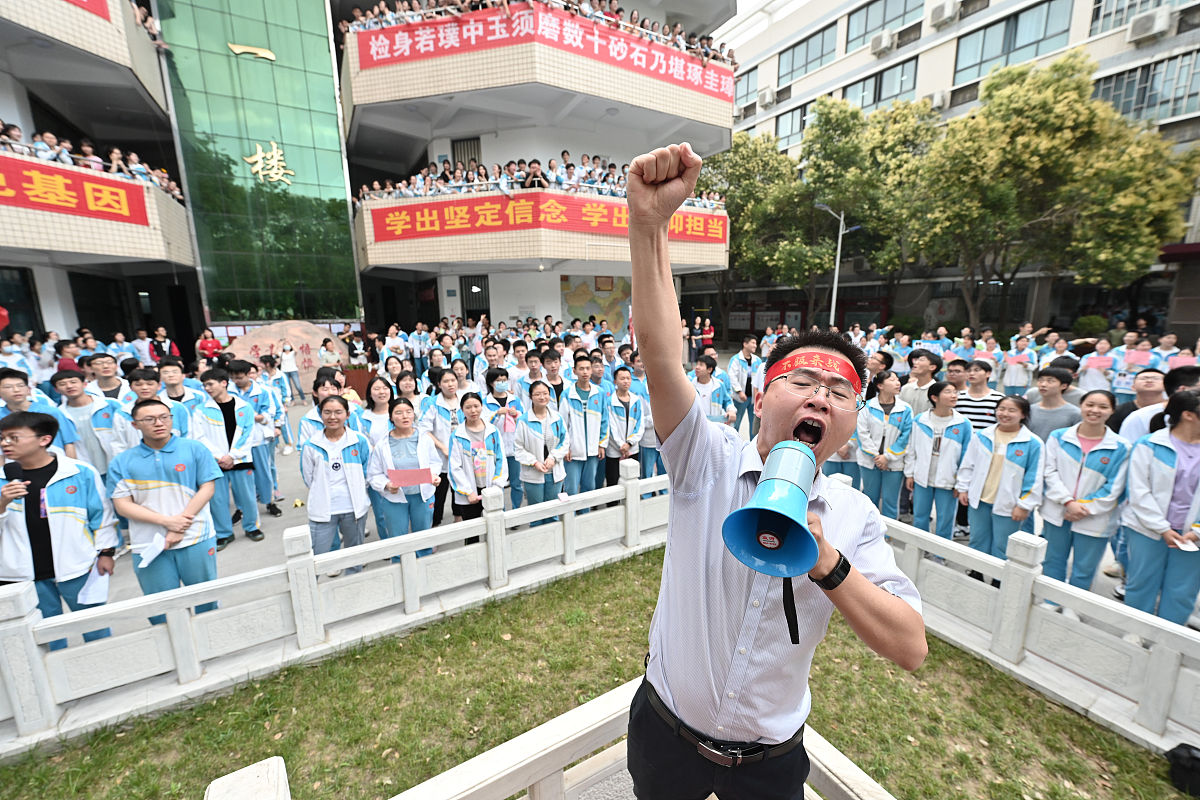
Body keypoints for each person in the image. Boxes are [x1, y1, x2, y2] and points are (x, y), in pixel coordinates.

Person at [624, 142, 924, 800]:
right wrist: (649, 228)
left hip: (769, 761)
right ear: (761, 397)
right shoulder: (705, 458)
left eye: (840, 392)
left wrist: (827, 564)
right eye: (803, 381)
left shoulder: (853, 517)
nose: (821, 396)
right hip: (665, 735)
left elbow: (910, 647)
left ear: (848, 423)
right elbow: (661, 355)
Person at [0, 411, 116, 650]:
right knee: (43, 640)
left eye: (13, 437)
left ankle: (106, 669)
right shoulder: (4, 480)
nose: (4, 444)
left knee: (94, 626)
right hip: (22, 573)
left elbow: (101, 515)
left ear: (43, 440)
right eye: (2, 438)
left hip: (77, 566)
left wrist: (106, 552)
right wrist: (2, 503)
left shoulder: (80, 472)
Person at [107, 398, 222, 623]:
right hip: (149, 543)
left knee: (205, 600)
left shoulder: (194, 448)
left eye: (164, 417)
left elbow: (207, 487)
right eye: (149, 419)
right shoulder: (122, 462)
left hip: (196, 537)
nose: (158, 423)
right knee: (161, 607)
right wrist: (168, 522)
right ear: (135, 425)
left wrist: (181, 524)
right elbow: (122, 504)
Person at [1119, 388, 1200, 631]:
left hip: (1192, 536)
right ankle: (1136, 633)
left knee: (1183, 589)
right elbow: (1139, 491)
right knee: (1141, 582)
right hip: (1147, 528)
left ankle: (1170, 639)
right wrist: (1162, 528)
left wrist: (1197, 531)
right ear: (1188, 415)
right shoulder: (1149, 445)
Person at [1040, 390, 1129, 604]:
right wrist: (1068, 503)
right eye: (1090, 405)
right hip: (1058, 510)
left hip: (1095, 517)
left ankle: (1073, 605)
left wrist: (1083, 508)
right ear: (1081, 406)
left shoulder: (1122, 447)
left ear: (1112, 411)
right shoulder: (1059, 437)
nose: (1095, 411)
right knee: (1053, 560)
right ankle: (1051, 601)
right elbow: (1048, 472)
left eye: (1102, 407)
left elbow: (1115, 487)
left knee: (1084, 567)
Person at [955, 396, 1044, 562]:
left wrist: (1024, 504)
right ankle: (977, 571)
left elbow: (1035, 477)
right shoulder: (982, 435)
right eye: (1001, 409)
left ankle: (999, 579)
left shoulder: (1033, 443)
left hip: (1009, 503)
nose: (1005, 414)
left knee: (1003, 544)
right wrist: (963, 488)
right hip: (980, 499)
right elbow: (968, 464)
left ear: (1023, 414)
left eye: (1012, 410)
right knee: (977, 539)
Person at [300, 395, 372, 575]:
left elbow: (368, 469)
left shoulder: (359, 440)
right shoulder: (311, 445)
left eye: (338, 412)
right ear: (320, 414)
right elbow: (308, 477)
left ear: (347, 414)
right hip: (324, 508)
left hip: (353, 507)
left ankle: (351, 589)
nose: (333, 417)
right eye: (327, 412)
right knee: (317, 557)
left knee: (354, 553)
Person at [192, 368, 262, 549]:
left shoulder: (244, 407)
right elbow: (199, 437)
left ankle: (252, 527)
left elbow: (248, 434)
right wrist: (220, 457)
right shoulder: (201, 410)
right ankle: (224, 533)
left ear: (224, 383)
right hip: (215, 462)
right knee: (218, 499)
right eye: (204, 385)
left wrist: (232, 456)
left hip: (240, 459)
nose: (207, 388)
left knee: (247, 496)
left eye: (210, 384)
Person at [366, 397, 440, 558]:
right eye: (398, 413)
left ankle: (424, 568)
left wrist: (434, 476)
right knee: (398, 541)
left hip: (422, 496)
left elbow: (435, 462)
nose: (405, 416)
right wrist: (386, 485)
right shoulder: (383, 444)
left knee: (423, 538)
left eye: (408, 412)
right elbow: (373, 474)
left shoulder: (424, 439)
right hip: (395, 499)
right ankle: (400, 571)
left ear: (414, 415)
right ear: (391, 417)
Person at [904, 382, 972, 539]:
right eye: (948, 392)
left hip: (948, 480)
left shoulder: (963, 424)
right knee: (920, 516)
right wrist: (910, 474)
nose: (954, 395)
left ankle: (939, 555)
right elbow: (911, 448)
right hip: (922, 477)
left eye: (955, 392)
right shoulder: (920, 420)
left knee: (945, 520)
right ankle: (919, 547)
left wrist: (961, 484)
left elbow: (967, 457)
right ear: (934, 397)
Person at [51, 370, 131, 478]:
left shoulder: (110, 404)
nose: (69, 386)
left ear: (84, 384)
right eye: (62, 384)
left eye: (73, 382)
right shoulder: (59, 414)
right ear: (56, 390)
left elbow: (130, 432)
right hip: (87, 471)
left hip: (118, 464)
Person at [856, 370, 912, 520]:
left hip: (893, 463)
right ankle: (867, 533)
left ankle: (888, 537)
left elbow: (906, 436)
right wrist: (877, 457)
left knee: (890, 501)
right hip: (870, 461)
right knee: (869, 498)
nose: (897, 383)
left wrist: (887, 457)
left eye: (898, 380)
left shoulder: (905, 409)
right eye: (892, 380)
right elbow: (862, 434)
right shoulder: (867, 407)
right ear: (880, 385)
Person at [513, 381, 568, 523]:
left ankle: (553, 543)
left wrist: (553, 458)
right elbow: (518, 448)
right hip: (533, 473)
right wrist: (534, 462)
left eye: (545, 394)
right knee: (536, 512)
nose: (542, 397)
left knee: (552, 512)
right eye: (537, 394)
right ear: (531, 396)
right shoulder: (524, 420)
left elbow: (565, 442)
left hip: (554, 471)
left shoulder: (557, 418)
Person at [447, 392, 507, 524]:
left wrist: (496, 486)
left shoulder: (492, 431)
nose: (473, 410)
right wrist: (468, 492)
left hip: (491, 488)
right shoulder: (457, 435)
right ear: (462, 410)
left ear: (482, 407)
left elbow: (501, 460)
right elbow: (454, 467)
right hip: (470, 494)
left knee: (494, 528)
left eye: (476, 406)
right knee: (472, 532)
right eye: (468, 407)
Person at [0, 367, 79, 458]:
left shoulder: (51, 412)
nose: (16, 390)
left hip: (56, 463)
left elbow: (68, 443)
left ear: (28, 389)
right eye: (8, 387)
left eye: (21, 385)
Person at [418, 368, 462, 526]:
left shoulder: (464, 399)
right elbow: (424, 429)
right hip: (440, 457)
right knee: (439, 494)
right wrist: (443, 448)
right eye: (446, 381)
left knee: (460, 490)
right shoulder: (433, 403)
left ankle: (459, 520)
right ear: (438, 384)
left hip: (462, 456)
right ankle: (435, 525)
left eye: (453, 380)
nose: (450, 384)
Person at [562, 351, 608, 497]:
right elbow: (562, 424)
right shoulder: (567, 394)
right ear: (574, 371)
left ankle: (586, 516)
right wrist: (566, 447)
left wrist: (602, 444)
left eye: (588, 368)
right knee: (571, 488)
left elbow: (605, 421)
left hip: (593, 449)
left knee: (589, 487)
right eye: (581, 369)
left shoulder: (599, 393)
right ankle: (571, 519)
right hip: (573, 451)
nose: (585, 372)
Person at [482, 367, 524, 509]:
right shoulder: (485, 402)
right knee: (497, 483)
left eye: (504, 380)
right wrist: (496, 414)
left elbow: (524, 420)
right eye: (498, 380)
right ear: (491, 383)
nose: (502, 383)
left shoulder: (515, 400)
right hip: (496, 449)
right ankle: (502, 512)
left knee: (516, 484)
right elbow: (483, 424)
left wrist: (516, 414)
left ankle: (516, 510)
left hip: (513, 447)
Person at [604, 366, 645, 487]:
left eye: (628, 378)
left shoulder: (636, 400)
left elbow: (640, 424)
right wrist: (621, 444)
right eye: (622, 378)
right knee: (613, 480)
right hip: (615, 449)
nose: (626, 381)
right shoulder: (609, 401)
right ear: (615, 381)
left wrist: (629, 443)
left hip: (632, 448)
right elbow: (610, 426)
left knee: (632, 481)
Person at [1027, 368, 1082, 443]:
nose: (1043, 384)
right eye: (1041, 380)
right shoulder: (1029, 410)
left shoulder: (1075, 413)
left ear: (1064, 386)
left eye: (1050, 381)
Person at [956, 360, 1006, 431]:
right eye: (968, 371)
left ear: (988, 373)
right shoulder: (957, 396)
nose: (971, 373)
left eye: (976, 370)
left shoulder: (999, 398)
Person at [727, 335, 761, 437]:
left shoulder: (757, 360)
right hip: (740, 398)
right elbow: (732, 376)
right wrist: (739, 391)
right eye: (753, 343)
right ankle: (733, 444)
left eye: (756, 343)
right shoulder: (736, 359)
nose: (755, 345)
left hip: (754, 399)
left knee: (754, 425)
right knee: (735, 424)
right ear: (745, 344)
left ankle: (752, 447)